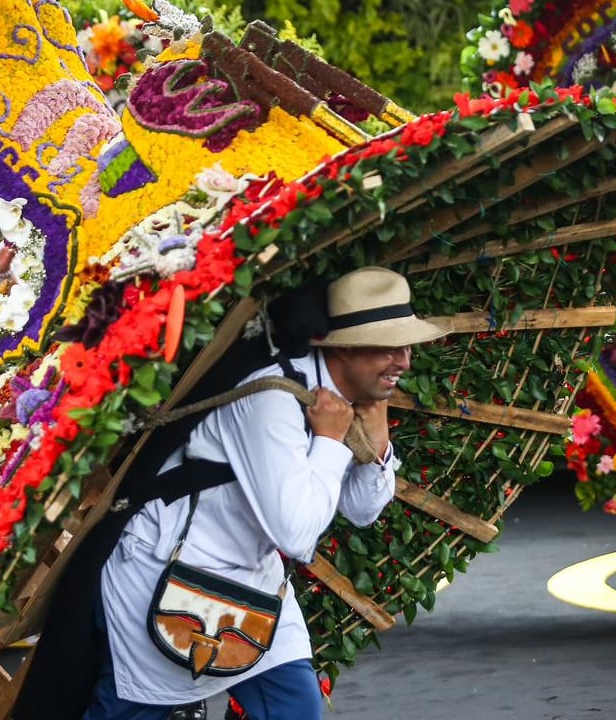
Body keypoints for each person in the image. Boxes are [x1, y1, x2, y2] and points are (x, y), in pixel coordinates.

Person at [74, 267, 447, 720]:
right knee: (132, 711)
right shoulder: (271, 397)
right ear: (345, 346)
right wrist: (331, 441)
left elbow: (363, 510)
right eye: (389, 347)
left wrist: (377, 440)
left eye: (406, 346)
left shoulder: (342, 397)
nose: (404, 362)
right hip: (166, 569)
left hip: (253, 582)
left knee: (294, 709)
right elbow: (296, 535)